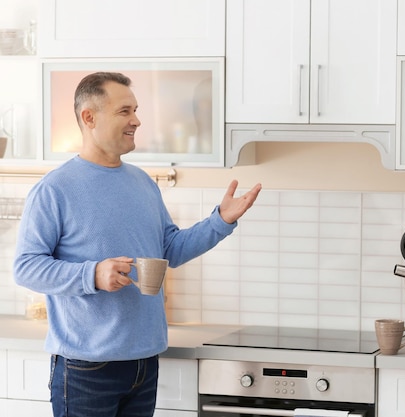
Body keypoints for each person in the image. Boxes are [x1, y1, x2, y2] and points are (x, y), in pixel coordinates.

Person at [13, 71, 262, 417]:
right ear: (89, 117)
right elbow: (26, 267)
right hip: (87, 367)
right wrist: (93, 274)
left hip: (144, 362)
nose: (136, 120)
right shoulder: (55, 189)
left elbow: (170, 250)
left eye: (136, 110)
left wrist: (221, 220)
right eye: (125, 111)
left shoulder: (142, 182)